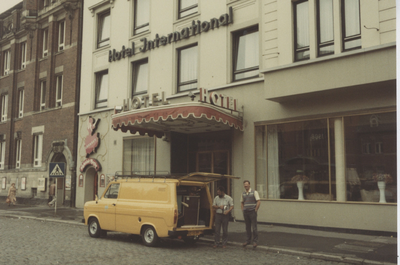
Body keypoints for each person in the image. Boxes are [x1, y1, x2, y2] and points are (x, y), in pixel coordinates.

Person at [241, 180, 261, 248]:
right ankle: (248, 240)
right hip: (246, 212)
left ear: (249, 185)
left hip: (252, 211)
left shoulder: (254, 192)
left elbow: (258, 201)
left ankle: (255, 241)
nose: (246, 186)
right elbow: (242, 202)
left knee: (254, 227)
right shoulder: (243, 193)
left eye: (247, 184)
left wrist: (255, 209)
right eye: (245, 185)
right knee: (247, 227)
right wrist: (243, 209)